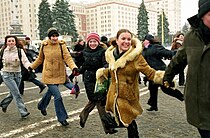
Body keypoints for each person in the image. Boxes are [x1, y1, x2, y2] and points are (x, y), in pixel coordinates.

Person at [96, 29, 166, 138]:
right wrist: (103, 73)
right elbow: (113, 70)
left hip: (128, 95)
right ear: (117, 40)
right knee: (126, 121)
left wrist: (164, 78)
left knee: (129, 121)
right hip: (114, 93)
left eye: (129, 39)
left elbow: (150, 72)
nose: (126, 41)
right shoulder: (111, 55)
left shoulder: (136, 56)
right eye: (123, 38)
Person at [163, 0, 210, 137]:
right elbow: (178, 60)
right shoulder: (191, 37)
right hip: (198, 104)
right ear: (202, 16)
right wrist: (167, 78)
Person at [29, 28, 79, 126]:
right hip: (48, 74)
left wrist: (74, 67)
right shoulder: (44, 45)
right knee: (57, 96)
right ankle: (62, 118)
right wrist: (32, 67)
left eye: (56, 36)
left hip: (60, 73)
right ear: (49, 37)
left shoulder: (61, 45)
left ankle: (41, 105)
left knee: (51, 92)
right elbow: (40, 59)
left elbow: (68, 58)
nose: (55, 38)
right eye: (53, 36)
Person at [74, 32, 117, 134]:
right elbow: (82, 65)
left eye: (95, 41)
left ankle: (84, 115)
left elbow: (105, 62)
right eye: (91, 41)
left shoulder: (102, 52)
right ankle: (108, 127)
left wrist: (107, 68)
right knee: (98, 101)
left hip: (100, 78)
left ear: (98, 42)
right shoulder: (84, 52)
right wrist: (76, 71)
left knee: (98, 101)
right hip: (89, 80)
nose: (93, 44)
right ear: (88, 42)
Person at [142, 34, 184, 111]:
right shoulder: (144, 50)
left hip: (160, 72)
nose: (143, 41)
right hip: (152, 73)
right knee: (152, 89)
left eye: (145, 40)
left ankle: (182, 97)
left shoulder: (155, 47)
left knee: (166, 89)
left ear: (148, 41)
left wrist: (180, 52)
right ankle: (153, 105)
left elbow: (167, 53)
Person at [0, 35, 30, 118]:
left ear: (15, 42)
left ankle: (3, 104)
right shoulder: (2, 51)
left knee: (13, 92)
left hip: (18, 74)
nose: (11, 42)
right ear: (6, 42)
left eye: (12, 41)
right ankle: (23, 111)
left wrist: (30, 67)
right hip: (7, 75)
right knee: (17, 93)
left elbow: (25, 61)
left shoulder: (20, 51)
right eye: (9, 41)